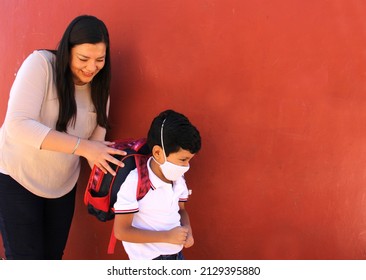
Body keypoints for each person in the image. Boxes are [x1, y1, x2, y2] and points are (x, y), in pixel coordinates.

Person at [0, 15, 126, 260]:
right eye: (83, 59)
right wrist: (85, 147)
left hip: (61, 187)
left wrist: (128, 180)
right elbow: (17, 124)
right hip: (17, 177)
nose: (91, 67)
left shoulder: (100, 88)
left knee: (53, 259)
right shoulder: (40, 65)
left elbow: (96, 148)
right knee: (25, 262)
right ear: (67, 50)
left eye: (99, 59)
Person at [113, 109, 201, 260]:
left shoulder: (178, 178)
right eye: (182, 160)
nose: (187, 166)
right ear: (158, 153)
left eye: (189, 160)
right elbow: (121, 231)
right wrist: (167, 236)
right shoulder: (136, 183)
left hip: (177, 255)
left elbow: (181, 211)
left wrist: (188, 230)